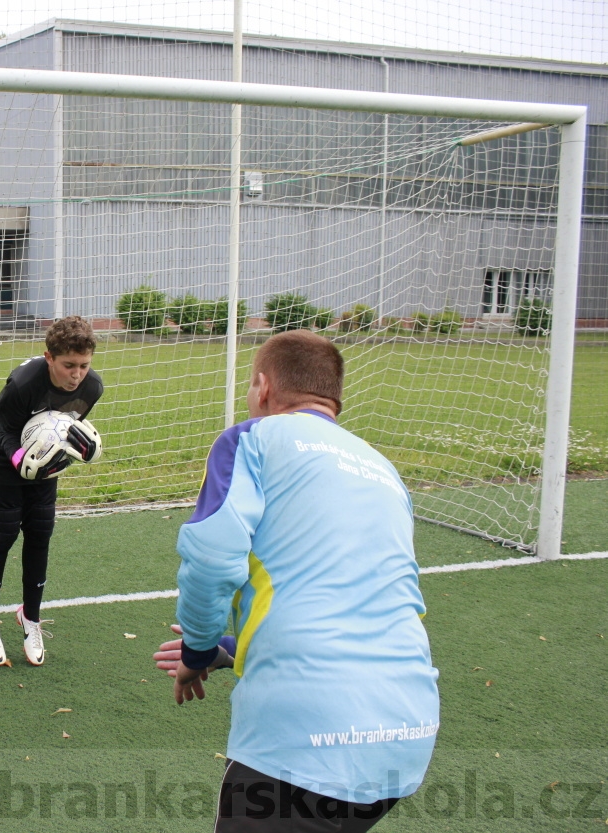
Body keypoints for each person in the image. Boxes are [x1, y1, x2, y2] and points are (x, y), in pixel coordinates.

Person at [153, 329, 439, 832]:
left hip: (307, 733)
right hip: (407, 729)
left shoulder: (252, 438)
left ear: (263, 387)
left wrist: (196, 653)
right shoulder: (383, 469)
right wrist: (229, 648)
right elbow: (351, 591)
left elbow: (212, 557)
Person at [0, 315, 104, 666]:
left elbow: (64, 431)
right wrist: (19, 459)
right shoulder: (24, 383)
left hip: (43, 456)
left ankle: (30, 616)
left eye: (84, 365)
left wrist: (79, 450)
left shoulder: (92, 388)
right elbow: (4, 429)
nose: (77, 375)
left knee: (41, 531)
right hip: (3, 449)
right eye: (68, 366)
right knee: (3, 532)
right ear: (49, 357)